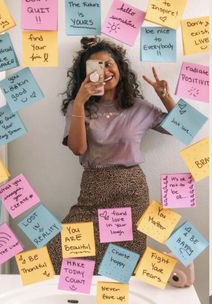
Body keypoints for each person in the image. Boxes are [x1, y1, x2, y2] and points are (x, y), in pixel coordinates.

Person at [47, 36, 175, 274]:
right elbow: (78, 149)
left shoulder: (138, 107)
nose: (104, 71)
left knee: (121, 266)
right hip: (93, 192)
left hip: (131, 193)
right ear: (85, 74)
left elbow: (183, 128)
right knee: (56, 257)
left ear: (120, 67)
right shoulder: (80, 107)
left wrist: (164, 96)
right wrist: (79, 103)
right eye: (96, 66)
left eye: (109, 64)